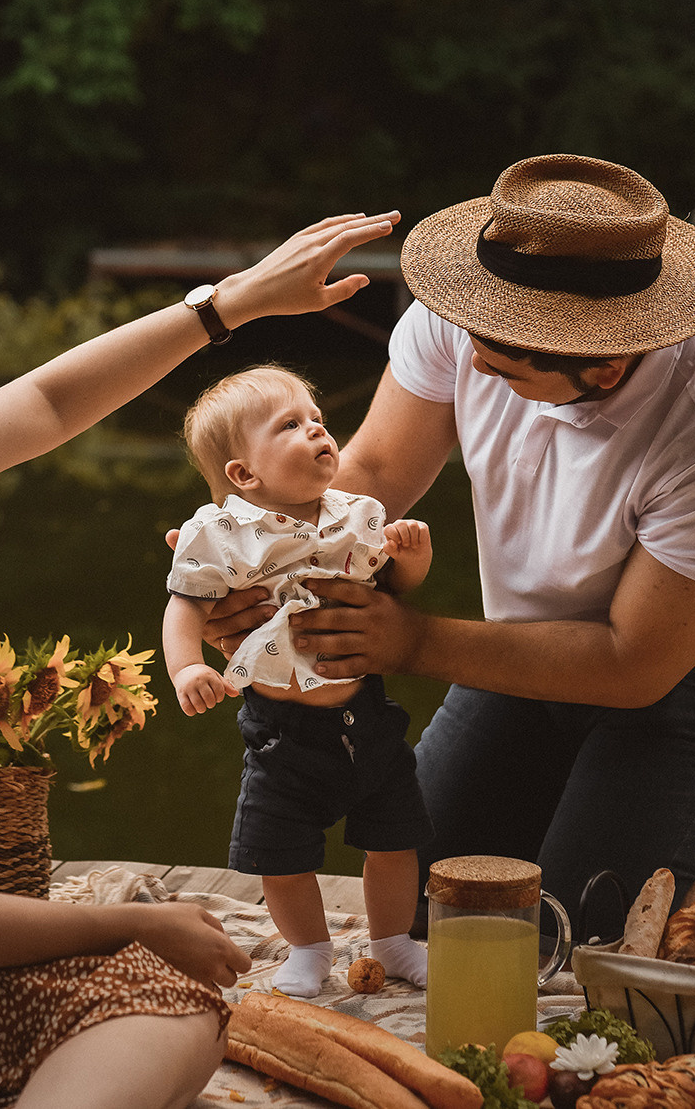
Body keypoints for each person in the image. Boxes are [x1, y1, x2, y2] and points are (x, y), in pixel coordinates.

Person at [0, 208, 400, 1109]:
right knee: (165, 1000)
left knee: (174, 1008)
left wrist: (229, 304)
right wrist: (128, 923)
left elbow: (50, 403)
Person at [200, 154, 695, 944]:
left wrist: (407, 639)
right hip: (525, 638)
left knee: (575, 938)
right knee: (420, 902)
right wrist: (261, 566)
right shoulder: (469, 310)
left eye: (502, 368)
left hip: (693, 667)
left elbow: (633, 661)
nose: (473, 363)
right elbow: (373, 472)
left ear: (605, 365)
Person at [163, 365, 434, 998]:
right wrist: (187, 667)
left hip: (366, 714)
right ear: (243, 474)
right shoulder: (220, 535)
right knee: (280, 853)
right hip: (281, 731)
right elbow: (185, 605)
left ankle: (393, 942)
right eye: (291, 424)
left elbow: (393, 590)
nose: (317, 429)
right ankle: (309, 948)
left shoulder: (357, 515)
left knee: (395, 838)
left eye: (317, 418)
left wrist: (412, 559)